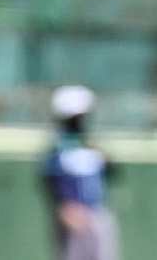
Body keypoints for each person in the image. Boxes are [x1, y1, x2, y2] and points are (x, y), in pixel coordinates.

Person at [42, 85, 119, 260]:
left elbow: (111, 172)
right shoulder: (59, 147)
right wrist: (65, 207)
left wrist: (103, 157)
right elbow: (50, 180)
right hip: (74, 214)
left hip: (96, 210)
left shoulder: (90, 145)